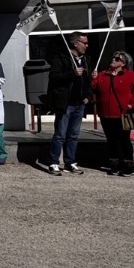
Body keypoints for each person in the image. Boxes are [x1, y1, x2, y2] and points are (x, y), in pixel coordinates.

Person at [45, 31, 94, 176]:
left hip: (80, 102)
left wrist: (88, 95)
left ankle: (70, 161)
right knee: (60, 134)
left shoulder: (86, 59)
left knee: (74, 134)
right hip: (66, 103)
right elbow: (53, 77)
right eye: (84, 43)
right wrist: (72, 73)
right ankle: (54, 162)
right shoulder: (61, 58)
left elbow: (88, 81)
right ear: (75, 43)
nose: (87, 46)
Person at [91, 50, 134, 176]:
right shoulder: (102, 74)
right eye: (113, 58)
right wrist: (93, 78)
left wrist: (132, 105)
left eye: (117, 59)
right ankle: (114, 163)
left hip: (122, 113)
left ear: (123, 63)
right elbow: (93, 88)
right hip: (105, 114)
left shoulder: (130, 75)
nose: (113, 60)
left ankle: (128, 164)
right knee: (111, 140)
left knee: (124, 140)